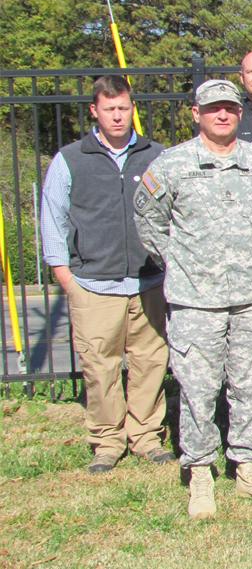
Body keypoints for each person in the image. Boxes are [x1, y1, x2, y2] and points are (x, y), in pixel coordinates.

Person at [135, 78, 252, 519]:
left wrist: (242, 261)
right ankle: (200, 470)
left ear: (240, 113)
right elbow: (149, 223)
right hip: (195, 300)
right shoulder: (172, 164)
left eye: (230, 108)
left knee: (250, 383)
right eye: (213, 108)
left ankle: (247, 465)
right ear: (196, 113)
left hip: (251, 296)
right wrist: (184, 263)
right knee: (199, 388)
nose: (223, 115)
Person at [40, 75, 172, 474]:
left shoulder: (156, 155)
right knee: (100, 366)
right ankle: (107, 440)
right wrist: (67, 278)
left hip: (148, 280)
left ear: (133, 109)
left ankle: (147, 435)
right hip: (94, 283)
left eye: (124, 108)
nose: (118, 116)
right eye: (110, 109)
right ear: (95, 111)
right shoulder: (70, 159)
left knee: (150, 361)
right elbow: (54, 220)